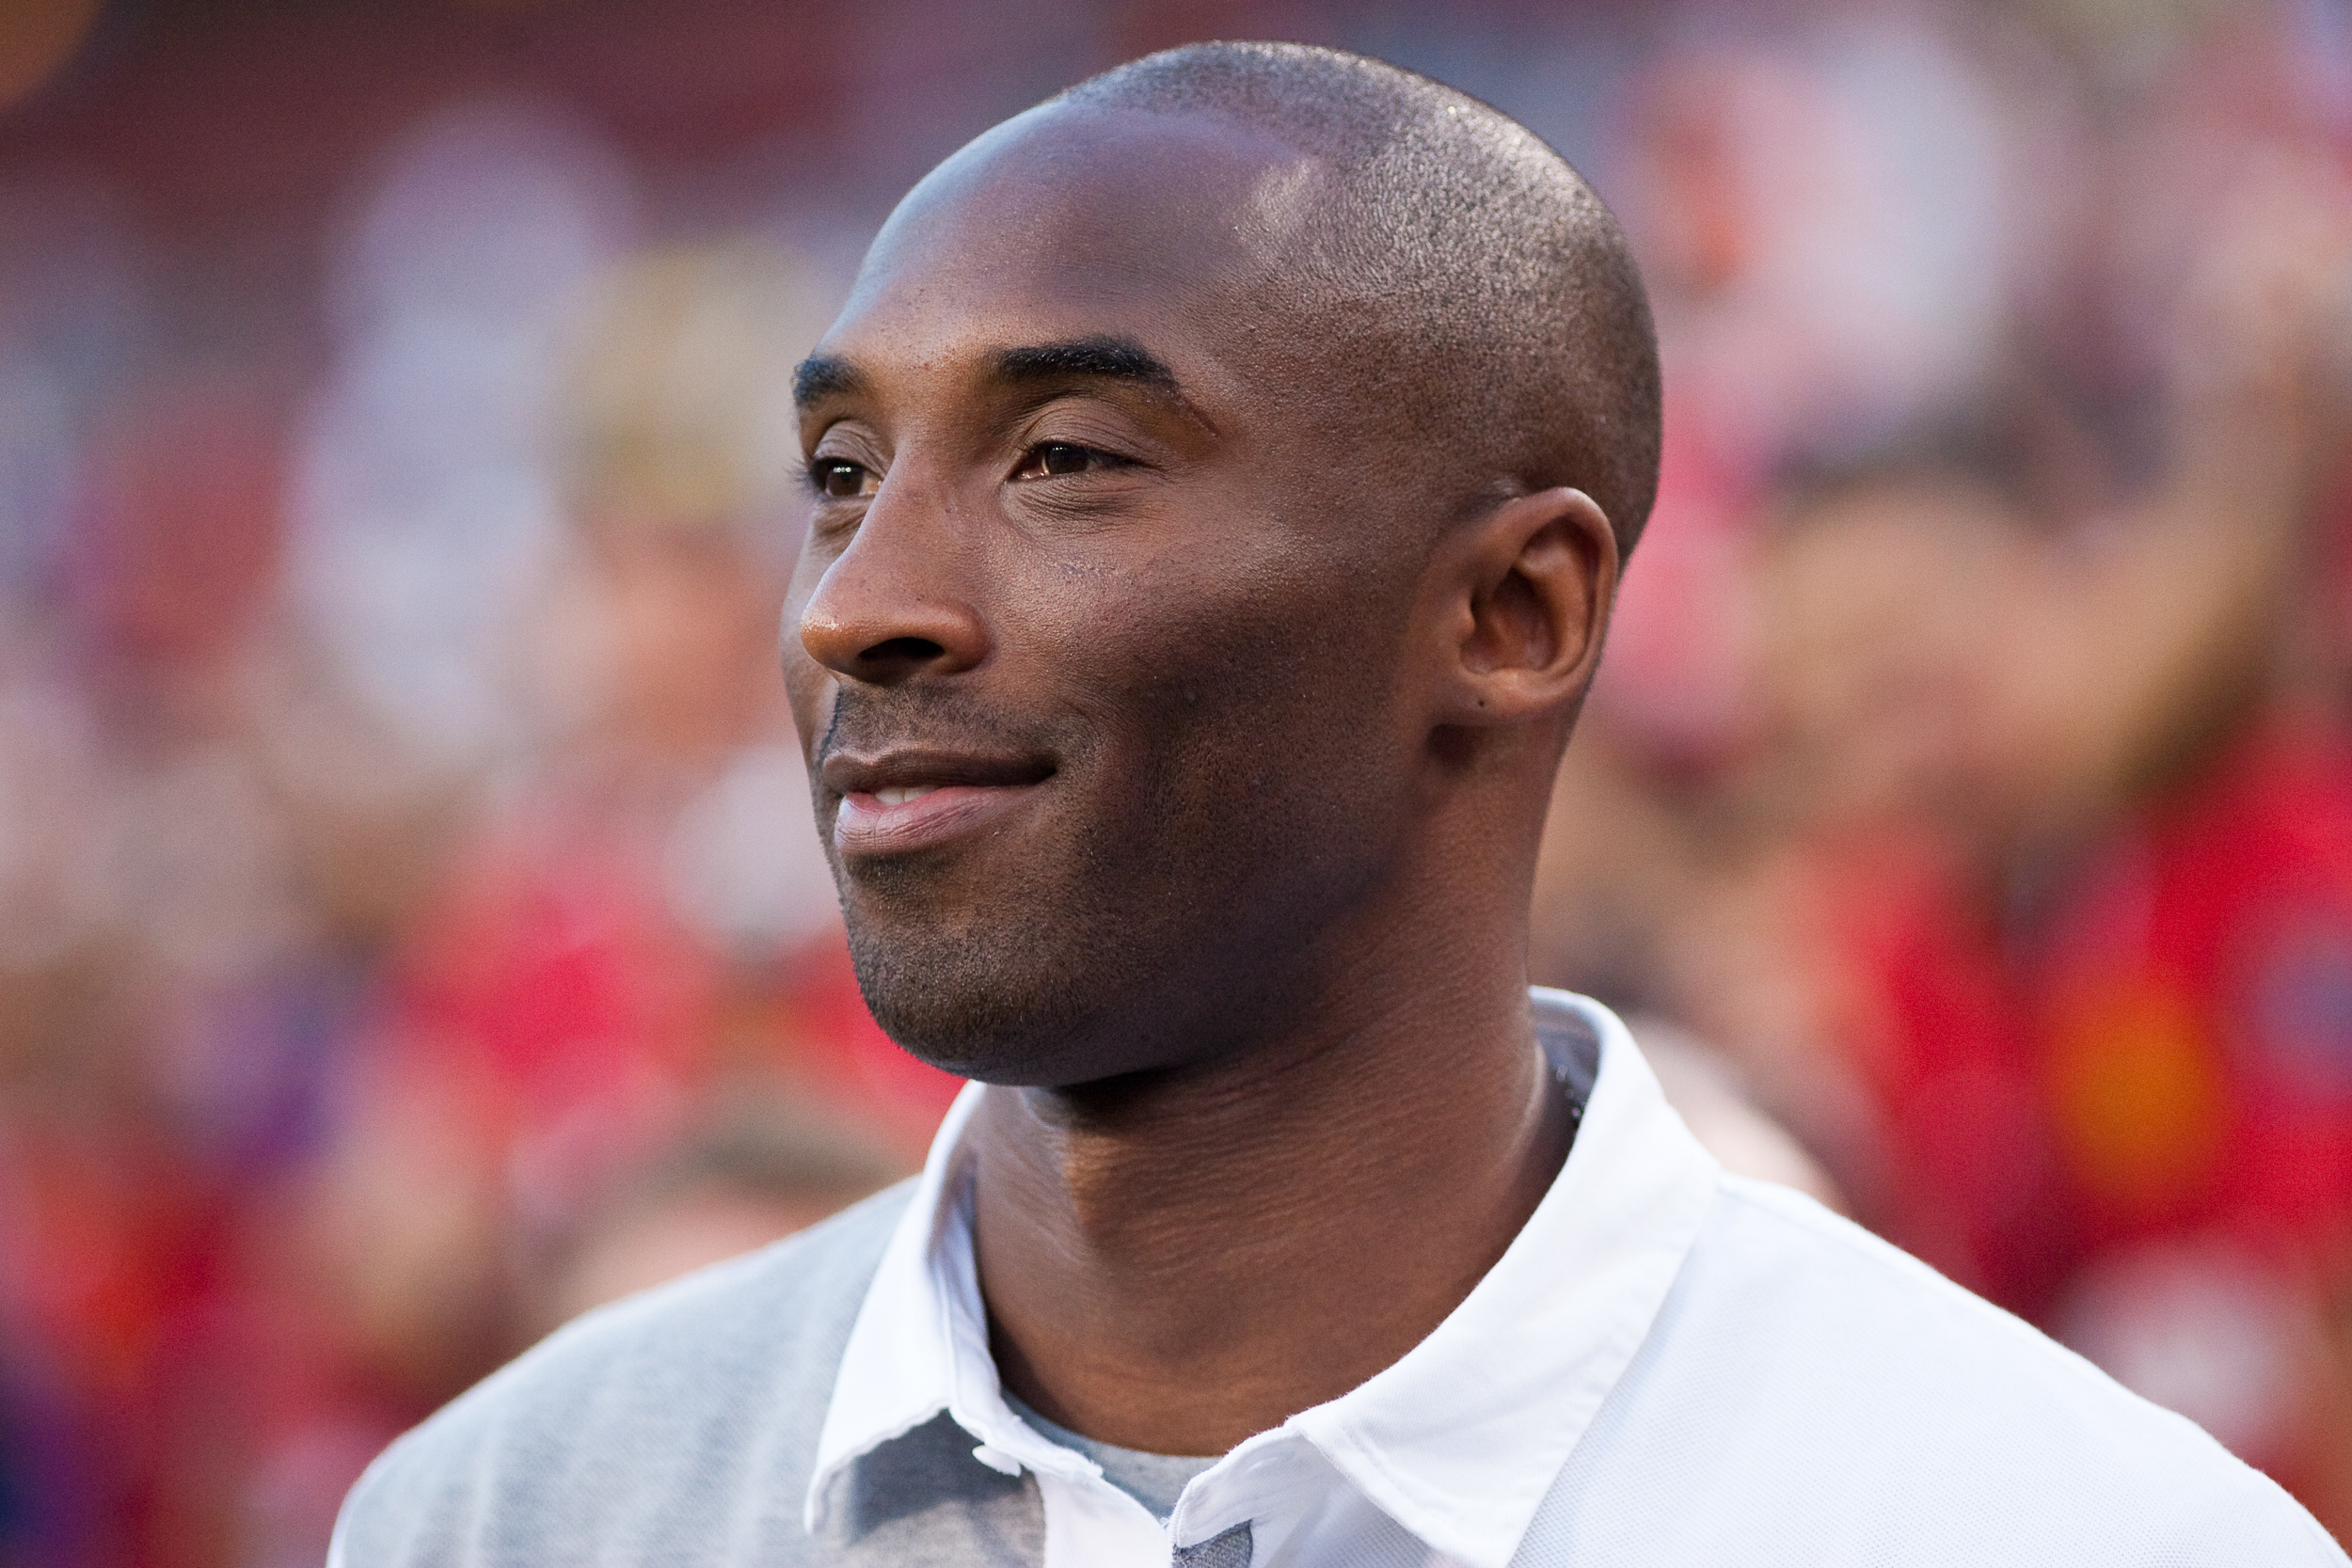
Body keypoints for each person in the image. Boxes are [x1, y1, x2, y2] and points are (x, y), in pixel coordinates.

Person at [326, 41, 2345, 1567]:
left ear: (1509, 610)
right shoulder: (510, 1514)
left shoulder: (2060, 1533)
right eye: (841, 476)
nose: (858, 607)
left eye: (1066, 460)